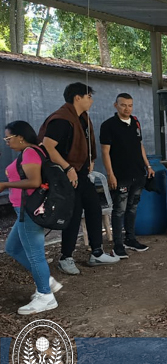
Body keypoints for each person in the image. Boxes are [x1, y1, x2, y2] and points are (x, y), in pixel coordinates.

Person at [39, 82, 119, 275]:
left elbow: (86, 144)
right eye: (89, 96)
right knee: (73, 216)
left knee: (93, 209)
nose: (91, 100)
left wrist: (89, 160)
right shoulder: (62, 119)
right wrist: (67, 168)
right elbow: (48, 146)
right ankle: (66, 257)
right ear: (78, 97)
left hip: (81, 174)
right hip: (66, 175)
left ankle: (97, 253)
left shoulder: (82, 118)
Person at [2, 121, 63, 314]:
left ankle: (46, 296)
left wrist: (5, 185)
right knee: (12, 248)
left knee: (35, 255)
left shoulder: (30, 152)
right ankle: (46, 282)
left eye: (8, 138)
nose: (6, 142)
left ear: (20, 137)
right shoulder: (31, 152)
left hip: (28, 210)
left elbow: (34, 181)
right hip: (24, 209)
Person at [100, 93, 154, 259]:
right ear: (115, 105)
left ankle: (130, 239)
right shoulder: (108, 125)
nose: (127, 108)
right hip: (120, 175)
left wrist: (148, 166)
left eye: (130, 105)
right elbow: (105, 152)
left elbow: (140, 145)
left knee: (133, 207)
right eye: (123, 105)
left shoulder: (135, 122)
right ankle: (117, 244)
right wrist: (110, 174)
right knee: (119, 210)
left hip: (138, 173)